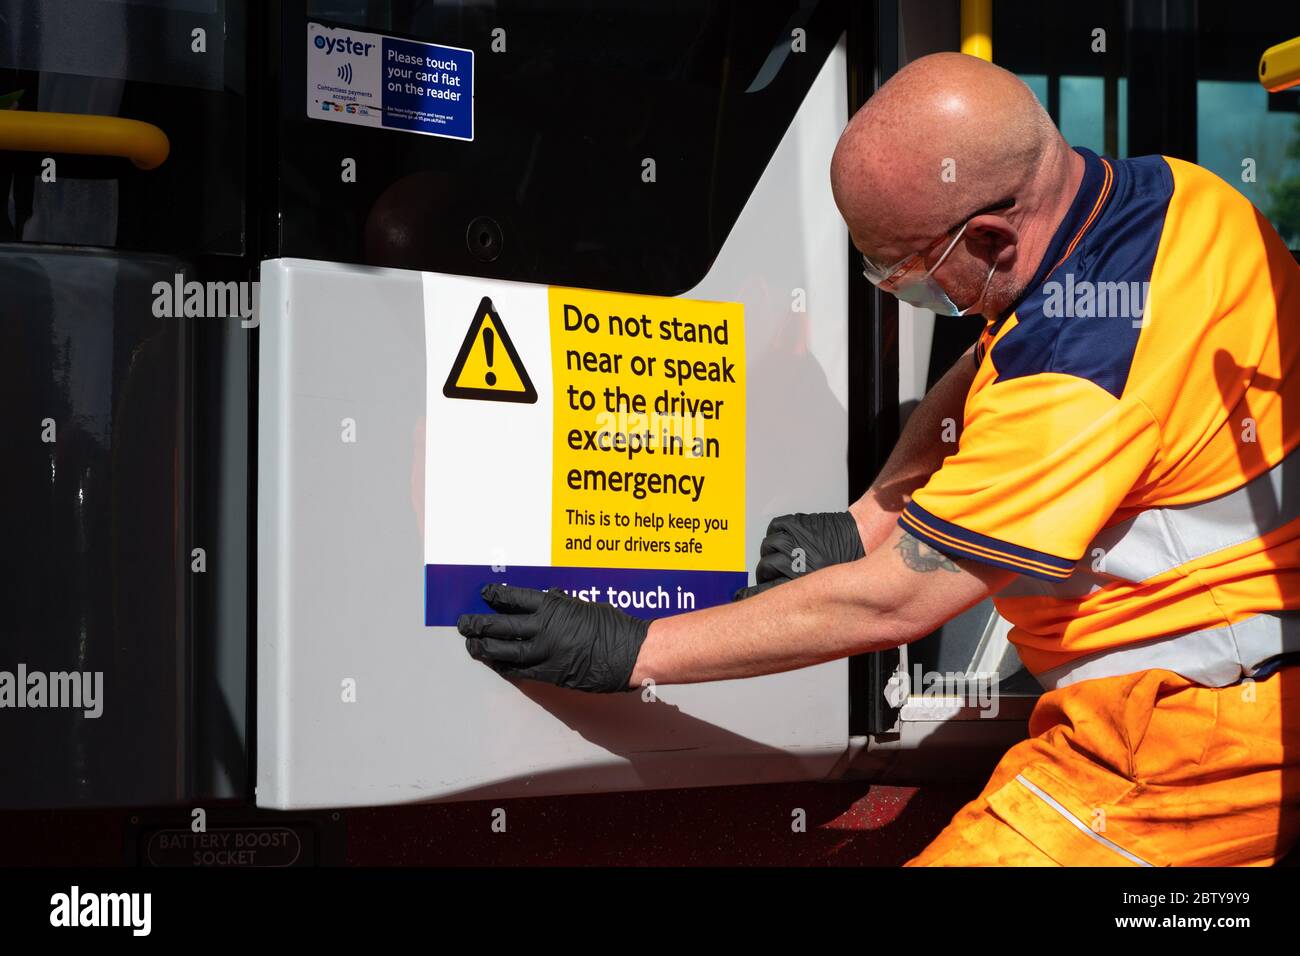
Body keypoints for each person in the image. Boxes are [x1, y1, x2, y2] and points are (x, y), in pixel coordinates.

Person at [458, 52, 1300, 866]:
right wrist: (868, 519)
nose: (907, 294)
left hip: (1193, 738)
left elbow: (903, 599)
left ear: (993, 238)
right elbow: (990, 360)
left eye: (908, 273)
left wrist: (633, 649)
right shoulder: (1181, 199)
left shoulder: (1079, 376)